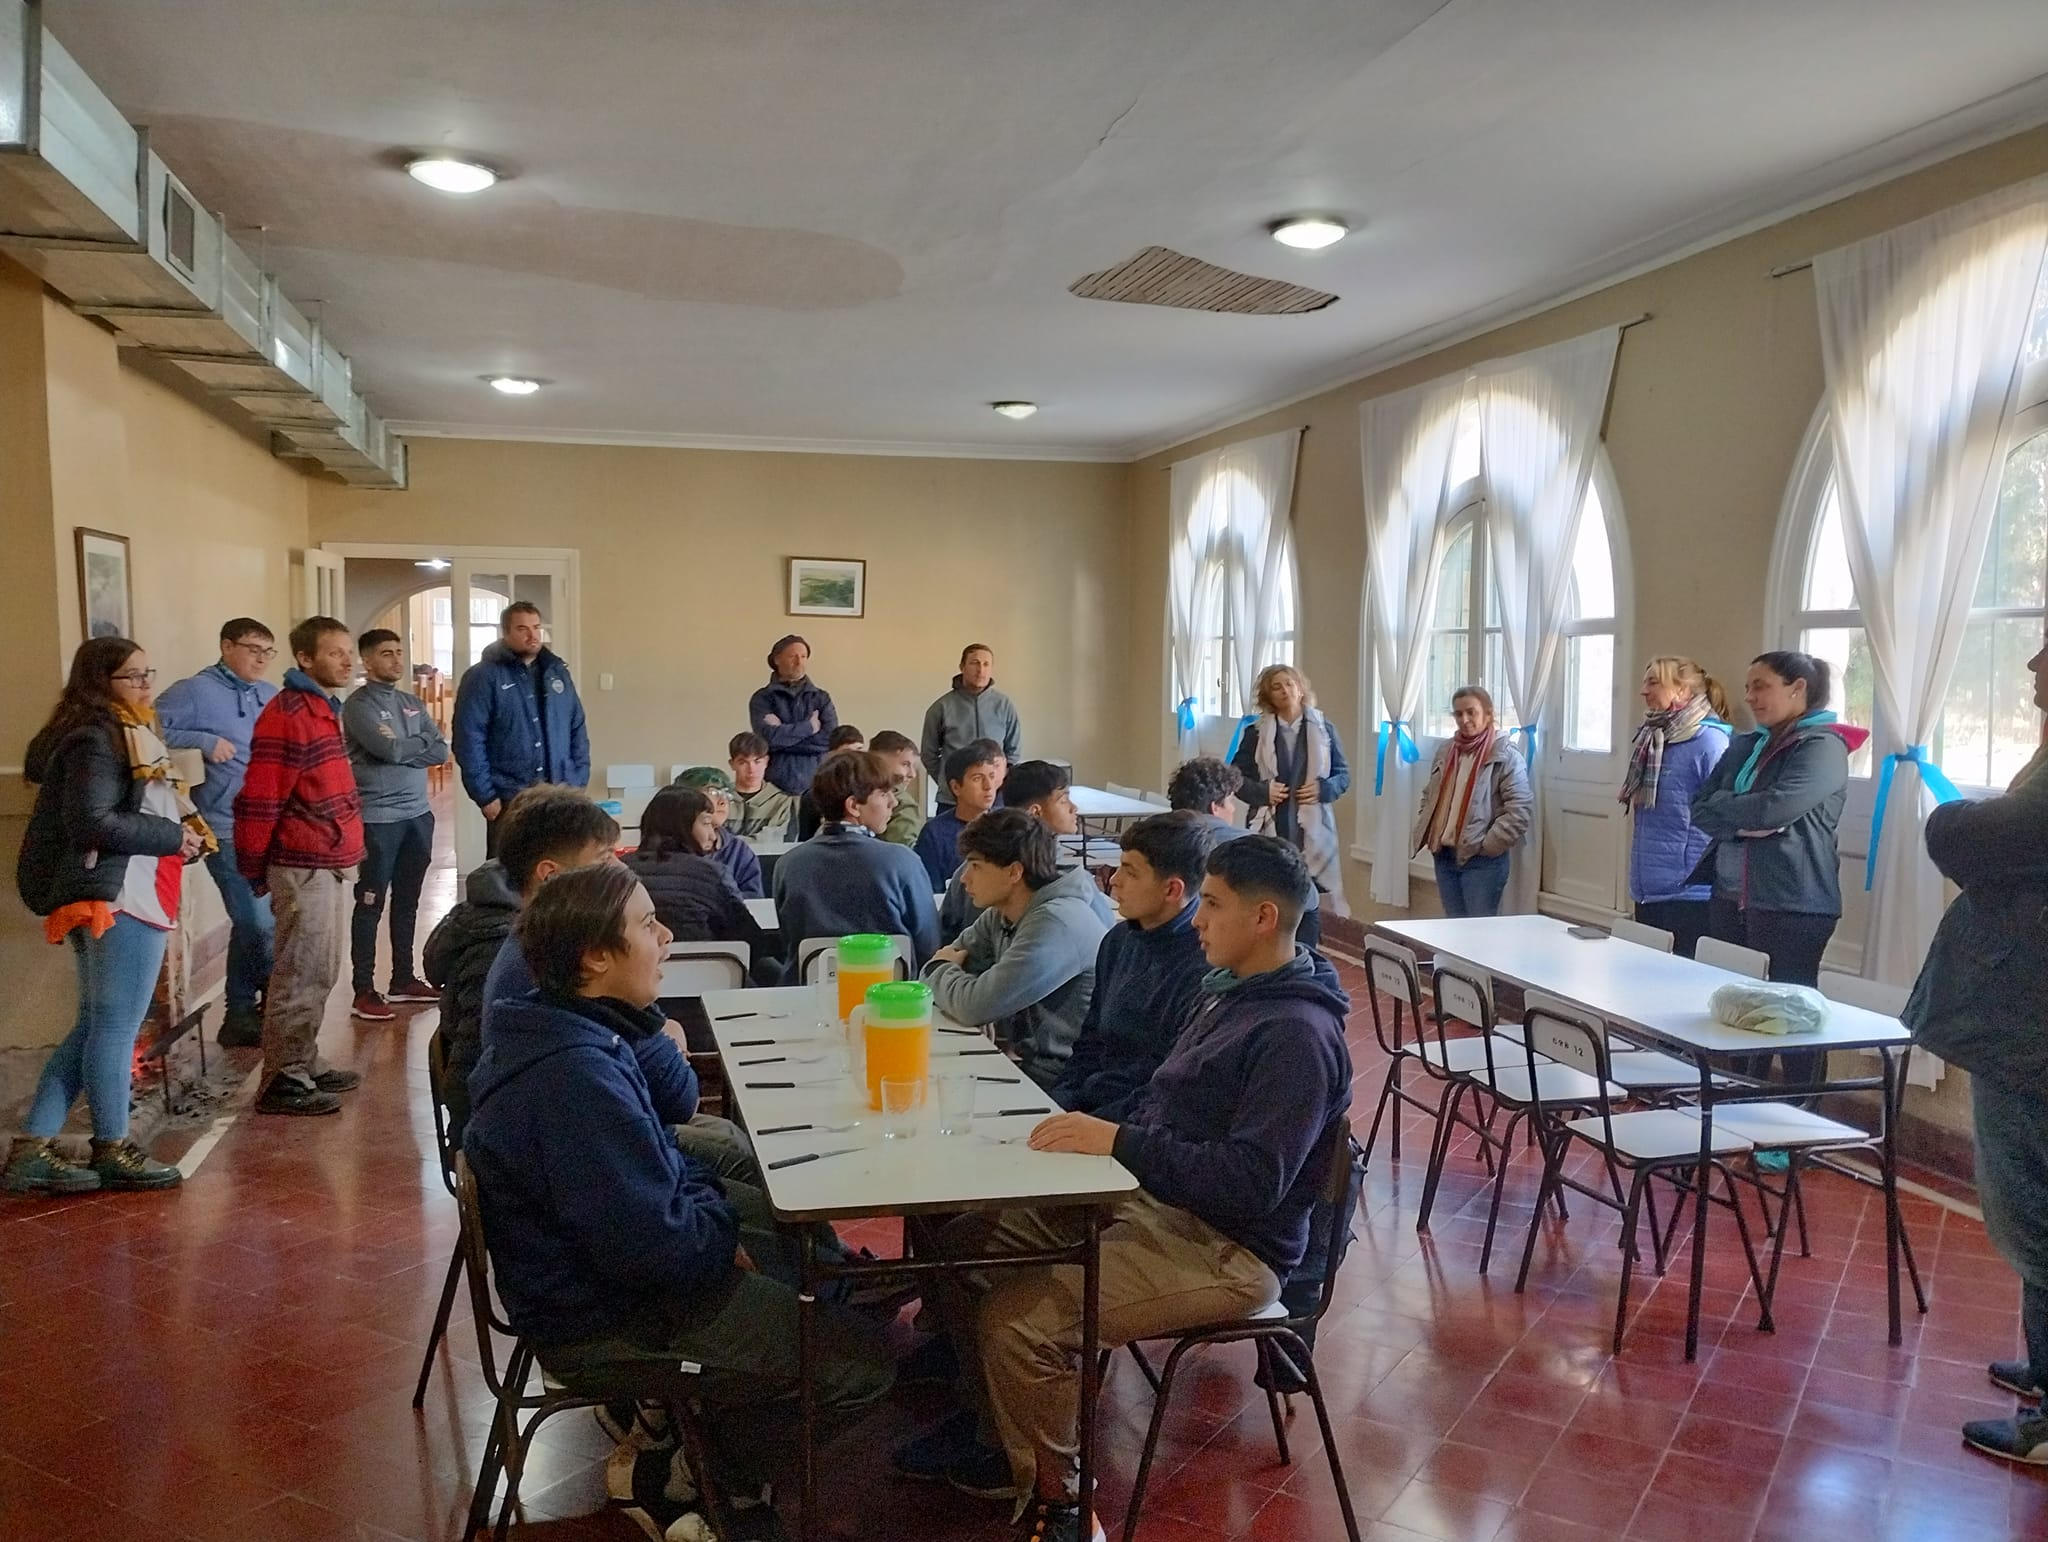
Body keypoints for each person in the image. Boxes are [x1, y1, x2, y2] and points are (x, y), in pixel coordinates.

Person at [901, 836, 1351, 1538]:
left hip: (1228, 1247)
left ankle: (1062, 1504)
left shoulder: (1296, 1034)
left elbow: (1249, 1185)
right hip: (1154, 1196)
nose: (1198, 919)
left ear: (1265, 918)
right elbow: (1161, 1102)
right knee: (967, 1243)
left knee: (1020, 1326)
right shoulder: (1232, 992)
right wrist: (1101, 1141)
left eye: (1213, 904)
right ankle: (1001, 1435)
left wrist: (1117, 1142)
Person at [464, 864, 891, 1529]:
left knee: (779, 1240)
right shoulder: (574, 1076)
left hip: (608, 1279)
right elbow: (657, 1250)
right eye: (647, 924)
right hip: (599, 1319)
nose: (666, 936)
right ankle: (696, 1477)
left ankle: (712, 1433)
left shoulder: (568, 1025)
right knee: (860, 1368)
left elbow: (660, 1162)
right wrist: (715, 1239)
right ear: (594, 957)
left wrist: (711, 1222)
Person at [1905, 642, 2048, 1467]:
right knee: (2031, 1210)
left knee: (2035, 1212)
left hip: (2032, 1033)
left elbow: (1968, 836)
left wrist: (1950, 822)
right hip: (2024, 1027)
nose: (2031, 663)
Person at [4, 638, 210, 1194]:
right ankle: (113, 1147)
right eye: (133, 677)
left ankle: (32, 1148)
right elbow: (91, 821)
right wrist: (171, 836)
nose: (147, 686)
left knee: (96, 1026)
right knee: (115, 1027)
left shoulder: (115, 732)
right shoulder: (100, 738)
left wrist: (180, 835)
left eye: (147, 673)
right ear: (101, 683)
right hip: (119, 893)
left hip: (117, 889)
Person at [1690, 650, 1865, 1094]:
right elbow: (1700, 807)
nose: (1750, 697)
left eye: (1761, 686)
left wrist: (1734, 810)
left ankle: (1800, 1113)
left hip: (1794, 901)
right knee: (1738, 1009)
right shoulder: (1747, 745)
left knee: (1793, 1017)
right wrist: (1743, 818)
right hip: (1730, 895)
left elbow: (1775, 808)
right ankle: (1742, 1100)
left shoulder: (1823, 747)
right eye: (1748, 688)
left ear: (1798, 689)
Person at [423, 786, 622, 1145]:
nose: (619, 869)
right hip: (517, 1141)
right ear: (548, 874)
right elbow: (472, 1077)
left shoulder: (526, 929)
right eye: (604, 858)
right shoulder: (519, 952)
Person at [234, 617, 366, 1117]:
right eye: (334, 652)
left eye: (348, 651)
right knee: (300, 971)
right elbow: (261, 797)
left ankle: (303, 1060)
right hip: (301, 860)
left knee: (323, 968)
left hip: (328, 857)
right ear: (305, 659)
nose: (346, 660)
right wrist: (254, 865)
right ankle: (282, 1078)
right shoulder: (288, 713)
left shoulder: (323, 707)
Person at [156, 618, 280, 1048]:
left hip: (270, 824)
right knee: (255, 922)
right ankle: (269, 1002)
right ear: (226, 646)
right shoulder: (195, 691)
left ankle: (243, 1013)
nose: (261, 659)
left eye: (267, 651)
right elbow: (147, 729)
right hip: (223, 825)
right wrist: (203, 740)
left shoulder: (269, 694)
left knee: (260, 923)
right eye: (252, 649)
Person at [921, 809, 1111, 1090]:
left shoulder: (1056, 923)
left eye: (976, 866)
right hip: (1023, 1063)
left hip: (1062, 1081)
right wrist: (956, 978)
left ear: (1014, 872)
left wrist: (941, 967)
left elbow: (972, 1004)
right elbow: (958, 976)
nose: (964, 879)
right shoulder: (1002, 912)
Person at [1049, 812, 1213, 1121]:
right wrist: (1060, 1102)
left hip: (1134, 1124)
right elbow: (1089, 1041)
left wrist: (1092, 1123)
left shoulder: (1204, 967)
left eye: (1130, 872)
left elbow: (1165, 1086)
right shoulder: (1119, 940)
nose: (1114, 880)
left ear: (1172, 890)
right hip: (1087, 1105)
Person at [341, 628, 449, 1021]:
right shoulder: (358, 706)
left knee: (408, 899)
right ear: (367, 661)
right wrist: (414, 745)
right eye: (387, 653)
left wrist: (405, 748)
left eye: (400, 652)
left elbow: (441, 749)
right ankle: (363, 990)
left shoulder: (410, 702)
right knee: (371, 901)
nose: (397, 660)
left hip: (417, 816)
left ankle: (402, 978)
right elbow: (386, 748)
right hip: (378, 820)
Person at [624, 785, 779, 1042]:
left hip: (636, 1009)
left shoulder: (619, 873)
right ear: (684, 827)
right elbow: (752, 942)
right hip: (709, 1007)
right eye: (706, 823)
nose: (712, 832)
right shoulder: (711, 873)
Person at [771, 751, 938, 974]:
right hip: (890, 988)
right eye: (883, 793)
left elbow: (789, 940)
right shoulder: (903, 861)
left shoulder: (787, 864)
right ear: (853, 805)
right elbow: (928, 945)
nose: (894, 802)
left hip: (809, 987)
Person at [453, 601, 590, 856]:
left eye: (536, 627)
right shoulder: (482, 677)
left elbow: (577, 728)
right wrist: (485, 795)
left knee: (558, 868)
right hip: (509, 798)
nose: (532, 635)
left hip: (560, 795)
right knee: (509, 872)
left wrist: (578, 780)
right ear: (505, 633)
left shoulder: (557, 673)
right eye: (522, 629)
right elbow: (468, 738)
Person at [1621, 656, 1731, 958]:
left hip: (1689, 894)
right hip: (1649, 887)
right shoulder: (1652, 739)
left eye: (1654, 682)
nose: (1644, 691)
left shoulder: (1710, 743)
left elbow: (1723, 816)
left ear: (1683, 691)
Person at [1231, 664, 1352, 939]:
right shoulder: (1255, 733)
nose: (1285, 690)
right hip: (1270, 825)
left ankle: (1306, 950)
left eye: (1289, 684)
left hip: (1313, 829)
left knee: (1310, 899)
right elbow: (1235, 777)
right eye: (1277, 687)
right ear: (1268, 696)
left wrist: (1323, 789)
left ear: (1300, 688)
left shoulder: (1324, 729)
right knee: (1271, 893)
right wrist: (1263, 792)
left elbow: (1343, 776)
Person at [1168, 755, 1329, 946]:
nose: (1233, 809)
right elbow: (1307, 899)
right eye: (1230, 802)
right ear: (1215, 807)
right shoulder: (1251, 846)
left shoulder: (1158, 837)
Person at [1410, 685, 1532, 919]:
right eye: (1458, 714)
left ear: (1487, 714)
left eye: (1471, 712)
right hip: (1445, 856)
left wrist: (1487, 845)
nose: (1464, 720)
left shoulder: (1506, 755)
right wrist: (1429, 824)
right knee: (1453, 928)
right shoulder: (1447, 750)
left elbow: (1519, 810)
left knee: (1478, 932)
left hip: (1482, 862)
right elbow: (1430, 794)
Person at [922, 645, 1022, 806]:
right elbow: (928, 754)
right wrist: (949, 781)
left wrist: (1000, 779)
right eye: (974, 663)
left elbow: (1013, 751)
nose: (980, 670)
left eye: (986, 664)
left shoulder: (1004, 705)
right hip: (952, 800)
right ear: (962, 667)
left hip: (995, 798)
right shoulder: (942, 707)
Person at [748, 635, 837, 794]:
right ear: (777, 659)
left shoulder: (821, 698)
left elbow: (829, 740)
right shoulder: (762, 698)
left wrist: (783, 734)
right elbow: (767, 740)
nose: (799, 662)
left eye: (803, 656)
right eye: (792, 656)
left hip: (816, 785)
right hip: (775, 786)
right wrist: (809, 728)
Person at [914, 739, 1005, 891]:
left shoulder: (1007, 825)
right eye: (977, 778)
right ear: (956, 787)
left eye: (991, 776)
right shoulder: (935, 833)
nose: (988, 786)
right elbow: (929, 889)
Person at [672, 767, 763, 898]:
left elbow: (754, 899)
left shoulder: (739, 850)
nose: (722, 801)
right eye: (713, 793)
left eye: (726, 793)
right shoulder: (664, 847)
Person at [726, 731, 799, 841]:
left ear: (766, 761)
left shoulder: (781, 801)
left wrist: (729, 843)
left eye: (757, 761)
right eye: (743, 762)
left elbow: (777, 841)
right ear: (732, 764)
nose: (751, 770)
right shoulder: (719, 799)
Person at [870, 729, 925, 848]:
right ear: (880, 762)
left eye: (913, 767)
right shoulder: (903, 804)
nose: (912, 774)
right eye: (905, 764)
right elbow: (905, 850)